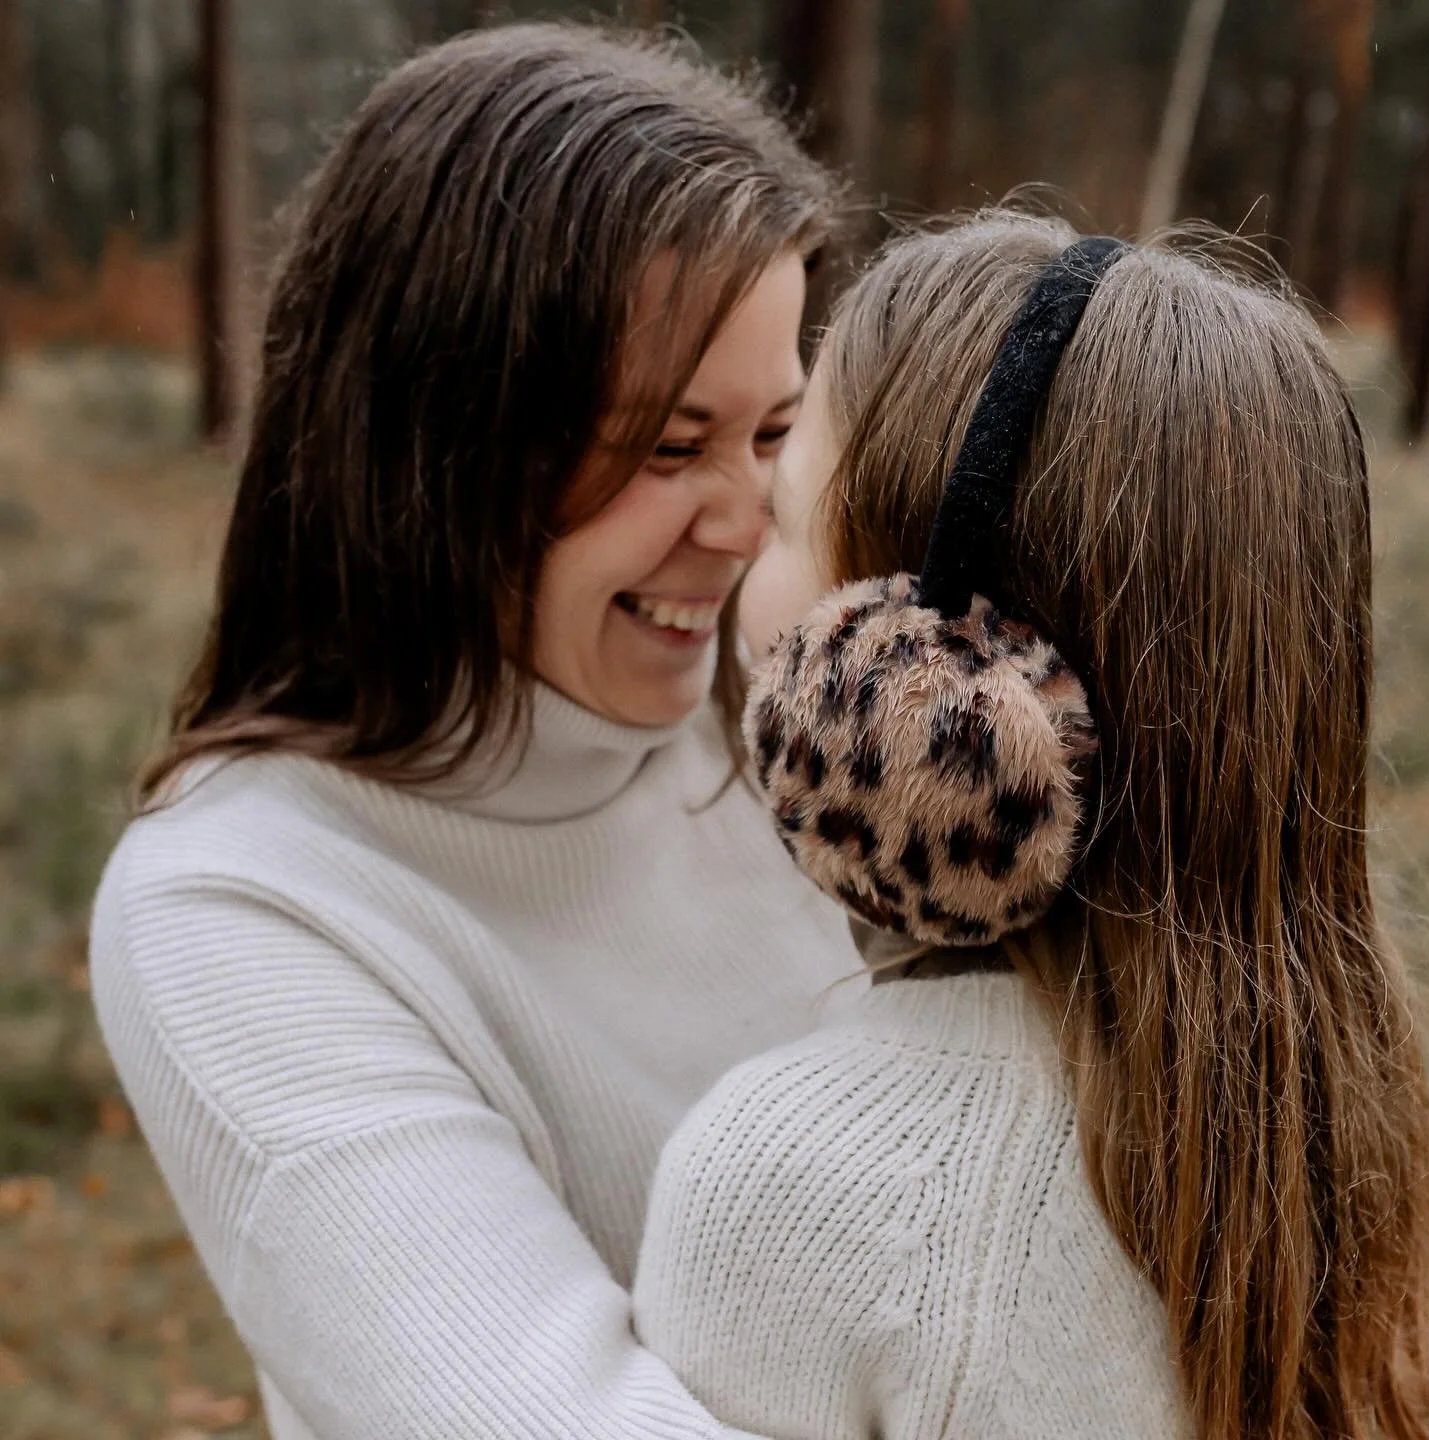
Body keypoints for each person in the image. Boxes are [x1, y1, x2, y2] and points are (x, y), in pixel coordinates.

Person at [89, 24, 855, 1440]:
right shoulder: (249, 904)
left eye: (773, 438)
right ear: (434, 444)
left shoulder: (810, 718)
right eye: (669, 448)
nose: (748, 529)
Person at [634, 210, 1429, 1439]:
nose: (737, 534)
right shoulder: (1379, 1172)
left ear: (926, 691)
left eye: (789, 511)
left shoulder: (783, 1187)